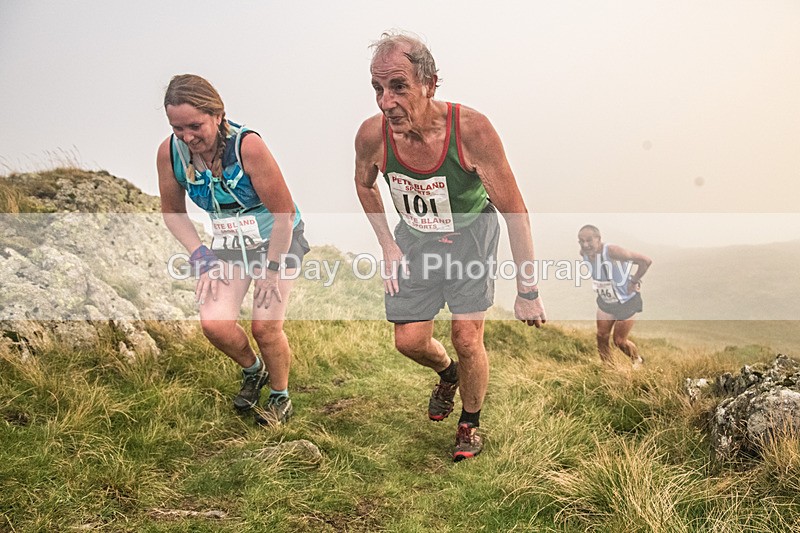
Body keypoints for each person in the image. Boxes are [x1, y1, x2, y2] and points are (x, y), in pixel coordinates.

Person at [354, 32, 546, 462]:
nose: (386, 102)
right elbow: (364, 184)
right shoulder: (373, 136)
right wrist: (388, 245)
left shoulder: (471, 130)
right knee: (409, 341)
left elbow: (515, 210)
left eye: (398, 87)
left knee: (466, 334)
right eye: (377, 89)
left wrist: (527, 291)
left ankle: (470, 423)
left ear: (430, 84)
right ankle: (448, 374)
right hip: (415, 241)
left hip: (470, 239)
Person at [157, 74, 309, 426]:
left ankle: (279, 396)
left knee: (265, 326)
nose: (187, 137)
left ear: (218, 115)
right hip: (227, 245)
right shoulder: (170, 152)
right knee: (215, 324)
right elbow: (172, 213)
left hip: (276, 239)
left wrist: (271, 272)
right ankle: (253, 371)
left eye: (195, 126)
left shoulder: (248, 147)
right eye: (177, 128)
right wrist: (201, 256)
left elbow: (284, 215)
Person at [578, 225, 652, 365]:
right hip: (606, 300)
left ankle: (638, 361)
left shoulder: (612, 251)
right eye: (581, 241)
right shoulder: (584, 253)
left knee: (619, 341)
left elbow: (646, 261)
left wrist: (634, 280)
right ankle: (609, 370)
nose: (585, 244)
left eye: (589, 240)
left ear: (598, 239)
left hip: (626, 301)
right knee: (601, 336)